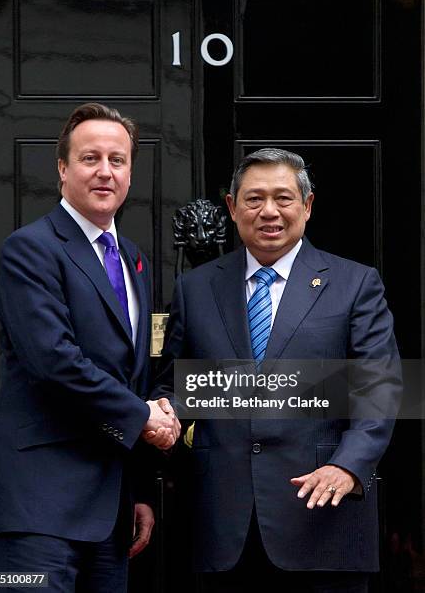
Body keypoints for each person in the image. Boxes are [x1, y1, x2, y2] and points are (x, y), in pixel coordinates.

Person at [155, 148, 402, 593]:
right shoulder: (195, 288)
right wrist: (161, 413)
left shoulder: (355, 284)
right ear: (232, 208)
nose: (269, 211)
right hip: (222, 525)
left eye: (283, 198)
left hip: (323, 518)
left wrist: (348, 466)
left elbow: (378, 387)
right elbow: (178, 386)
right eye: (254, 199)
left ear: (307, 206)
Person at [0, 103, 180, 592]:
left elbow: (130, 373)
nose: (105, 172)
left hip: (108, 512)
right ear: (63, 169)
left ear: (131, 172)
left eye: (118, 160)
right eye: (90, 158)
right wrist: (144, 417)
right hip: (36, 507)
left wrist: (137, 487)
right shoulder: (31, 249)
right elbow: (53, 362)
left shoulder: (133, 259)